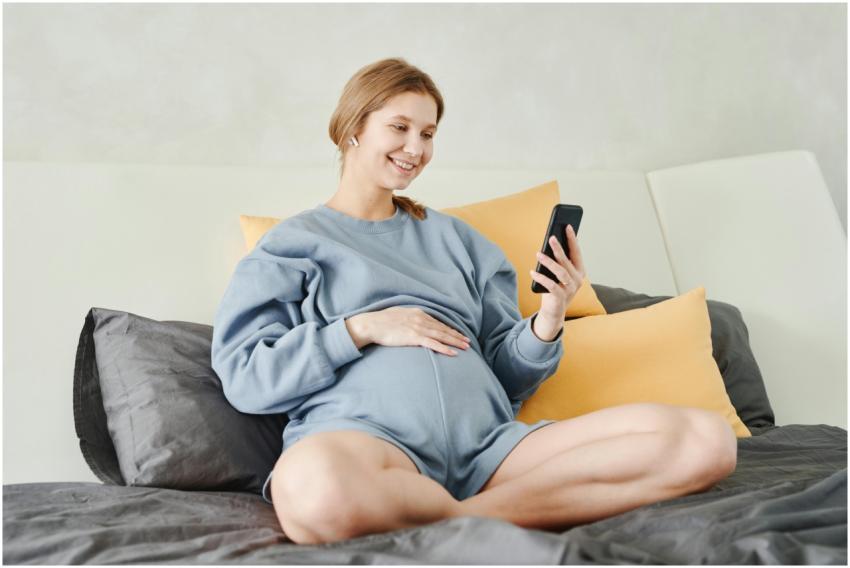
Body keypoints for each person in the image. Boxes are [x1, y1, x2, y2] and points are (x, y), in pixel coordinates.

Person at [211, 57, 738, 545]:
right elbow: (246, 376)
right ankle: (494, 515)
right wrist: (363, 328)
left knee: (706, 441)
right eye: (399, 128)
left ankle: (457, 518)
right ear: (353, 127)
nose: (415, 149)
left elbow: (508, 374)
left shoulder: (459, 241)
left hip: (493, 449)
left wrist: (550, 316)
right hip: (366, 446)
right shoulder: (291, 245)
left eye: (428, 133)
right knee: (313, 489)